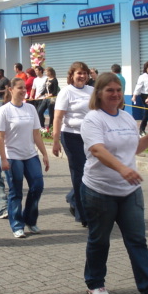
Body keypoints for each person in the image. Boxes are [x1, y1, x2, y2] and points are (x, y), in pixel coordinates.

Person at [80, 72, 148, 294]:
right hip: (99, 190)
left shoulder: (127, 118)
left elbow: (135, 148)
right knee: (99, 240)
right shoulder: (93, 119)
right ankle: (95, 283)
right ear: (99, 93)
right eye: (109, 90)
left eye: (118, 90)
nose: (115, 94)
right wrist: (122, 169)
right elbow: (98, 150)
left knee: (137, 241)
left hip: (129, 190)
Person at [0, 77, 50, 238]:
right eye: (20, 88)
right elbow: (0, 138)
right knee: (16, 192)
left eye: (24, 88)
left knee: (37, 186)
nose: (23, 90)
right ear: (11, 90)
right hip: (12, 156)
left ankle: (30, 220)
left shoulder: (30, 109)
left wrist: (44, 154)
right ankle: (17, 225)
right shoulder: (4, 111)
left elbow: (36, 134)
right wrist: (4, 159)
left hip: (30, 155)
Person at [52, 62, 92, 227]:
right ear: (72, 75)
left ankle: (73, 197)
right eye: (78, 73)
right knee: (80, 173)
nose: (81, 76)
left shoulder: (92, 91)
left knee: (91, 172)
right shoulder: (66, 92)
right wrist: (55, 141)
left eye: (84, 73)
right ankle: (83, 215)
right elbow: (58, 117)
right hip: (71, 136)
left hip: (90, 137)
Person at [131, 61, 148, 135]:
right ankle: (142, 129)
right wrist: (134, 96)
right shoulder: (143, 76)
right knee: (147, 112)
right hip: (145, 96)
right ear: (146, 68)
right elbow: (138, 87)